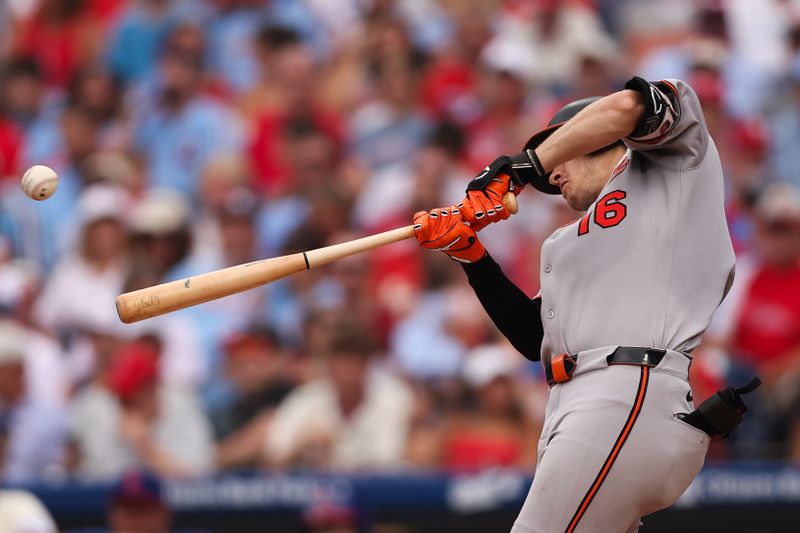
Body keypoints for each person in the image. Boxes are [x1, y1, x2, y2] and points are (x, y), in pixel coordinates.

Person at [412, 76, 753, 531]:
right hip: (579, 402)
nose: (551, 176)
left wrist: (523, 165)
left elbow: (629, 106)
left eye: (559, 150)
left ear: (601, 138)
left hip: (627, 389)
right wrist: (471, 255)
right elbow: (534, 337)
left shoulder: (674, 162)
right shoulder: (567, 241)